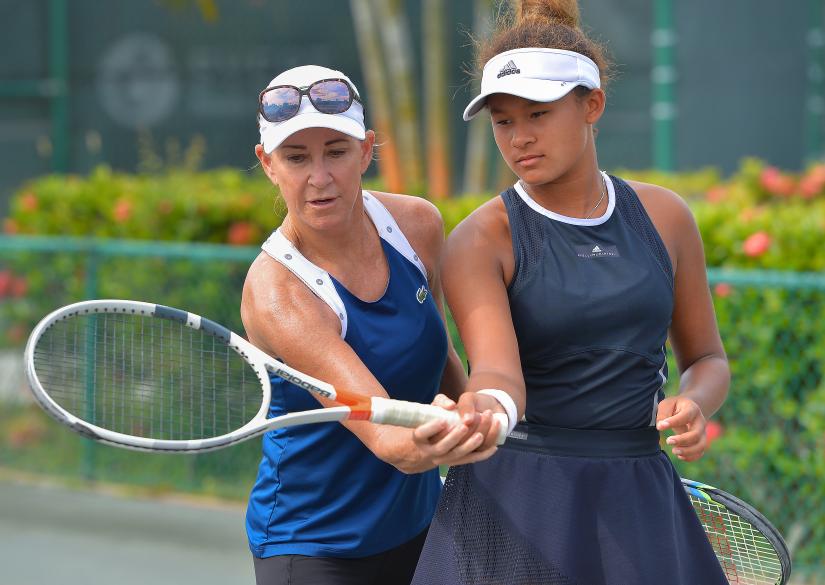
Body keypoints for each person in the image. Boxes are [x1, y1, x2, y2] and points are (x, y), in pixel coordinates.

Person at [410, 1, 731, 583]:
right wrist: (486, 410)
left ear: (592, 105)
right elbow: (496, 373)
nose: (520, 138)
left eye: (538, 113)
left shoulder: (667, 217)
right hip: (518, 499)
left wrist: (695, 404)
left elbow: (707, 357)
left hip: (639, 494)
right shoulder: (479, 239)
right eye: (503, 121)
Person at [242, 65, 498, 585]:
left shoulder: (416, 225)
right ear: (268, 164)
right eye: (296, 157)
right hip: (314, 547)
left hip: (421, 527)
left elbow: (440, 354)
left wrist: (481, 416)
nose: (319, 177)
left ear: (365, 151)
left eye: (336, 152)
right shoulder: (278, 293)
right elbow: (389, 440)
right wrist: (450, 433)